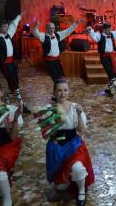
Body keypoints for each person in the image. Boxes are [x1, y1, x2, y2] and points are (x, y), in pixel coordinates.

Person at [44, 78, 94, 206]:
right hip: (57, 147)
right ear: (54, 92)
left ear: (69, 91)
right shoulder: (49, 109)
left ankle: (81, 191)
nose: (62, 93)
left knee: (78, 169)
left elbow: (81, 131)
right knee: (61, 187)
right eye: (59, 90)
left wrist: (78, 114)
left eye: (65, 90)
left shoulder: (75, 107)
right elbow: (45, 134)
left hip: (73, 144)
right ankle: (67, 180)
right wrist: (53, 129)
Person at [87, 21, 116, 98]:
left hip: (111, 57)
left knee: (113, 74)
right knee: (111, 74)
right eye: (108, 30)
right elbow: (94, 37)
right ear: (104, 29)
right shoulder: (99, 35)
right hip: (104, 58)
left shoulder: (112, 34)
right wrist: (90, 30)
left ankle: (108, 90)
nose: (109, 31)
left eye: (110, 29)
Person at [32, 19, 84, 85]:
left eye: (53, 28)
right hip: (49, 62)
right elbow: (35, 33)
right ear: (46, 28)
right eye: (50, 28)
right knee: (56, 79)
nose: (52, 30)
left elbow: (68, 31)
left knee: (61, 77)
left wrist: (76, 23)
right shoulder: (43, 36)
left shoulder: (57, 35)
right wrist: (36, 26)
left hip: (57, 60)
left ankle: (58, 92)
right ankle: (57, 93)